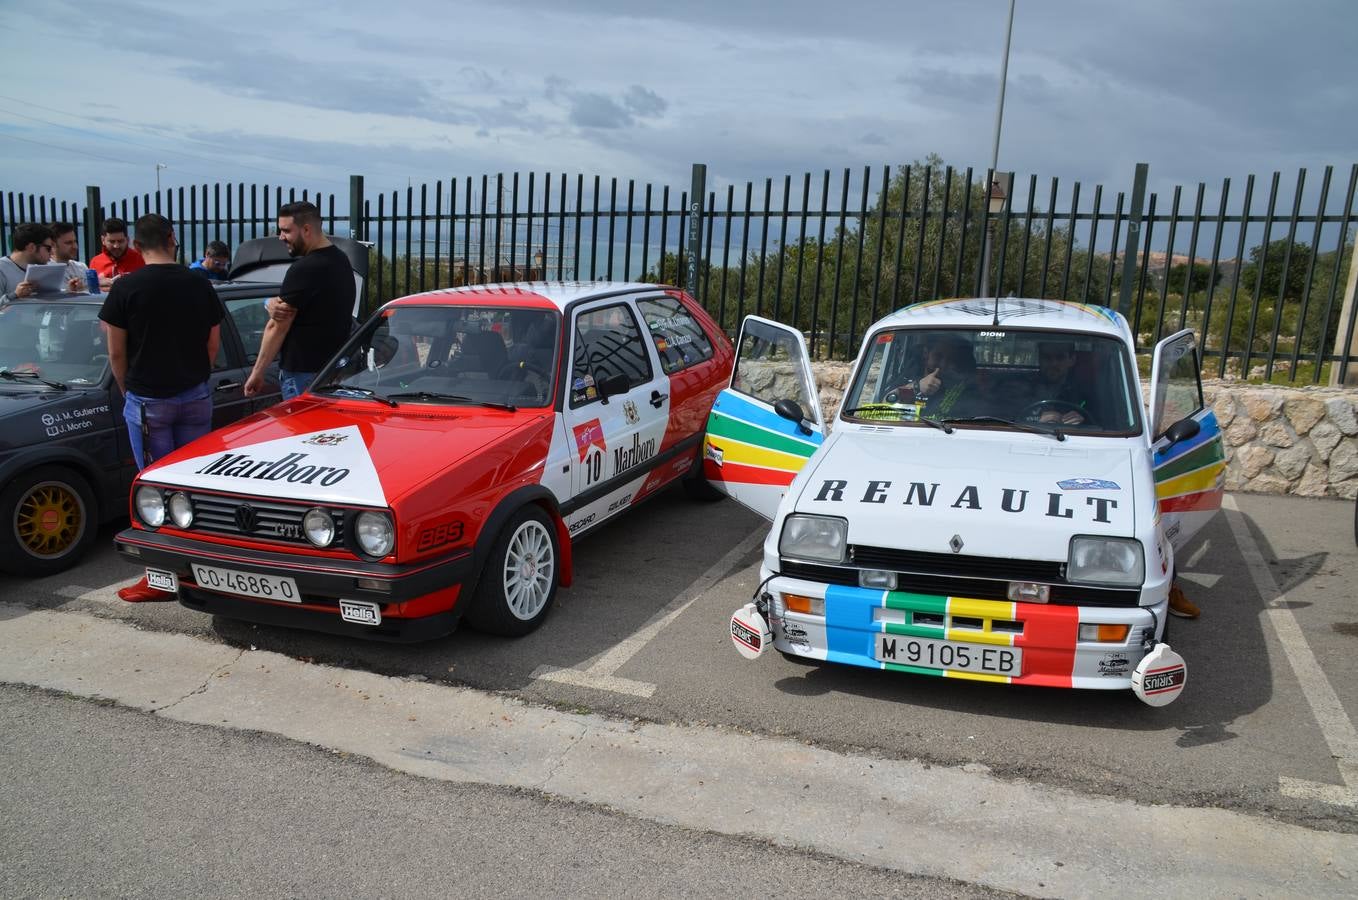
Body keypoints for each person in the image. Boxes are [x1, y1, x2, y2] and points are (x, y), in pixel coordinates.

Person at [98, 213, 221, 469]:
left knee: (156, 479)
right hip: (194, 393)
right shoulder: (200, 283)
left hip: (146, 396)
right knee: (194, 474)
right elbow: (212, 342)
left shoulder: (125, 288)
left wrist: (126, 390)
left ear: (136, 246)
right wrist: (197, 375)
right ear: (171, 238)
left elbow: (116, 352)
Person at [244, 201, 354, 400]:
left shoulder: (305, 269)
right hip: (334, 371)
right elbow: (306, 301)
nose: (281, 237)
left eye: (286, 231)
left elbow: (277, 326)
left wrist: (258, 372)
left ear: (306, 229)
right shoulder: (341, 260)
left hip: (303, 374)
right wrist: (269, 302)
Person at [881, 333, 984, 420]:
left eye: (950, 359)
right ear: (926, 353)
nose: (943, 364)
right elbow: (881, 412)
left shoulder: (962, 388)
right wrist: (916, 387)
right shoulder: (908, 377)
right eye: (938, 356)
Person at [1023, 340, 1094, 425]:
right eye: (1047, 357)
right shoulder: (1019, 388)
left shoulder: (1084, 393)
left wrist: (1082, 422)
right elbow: (1008, 420)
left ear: (1072, 360)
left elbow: (1101, 426)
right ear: (1039, 359)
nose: (1053, 364)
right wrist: (1036, 420)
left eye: (1060, 358)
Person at [0, 223, 54, 305]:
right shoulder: (2, 269)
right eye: (48, 248)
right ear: (31, 247)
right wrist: (15, 295)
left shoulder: (40, 269)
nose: (52, 252)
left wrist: (69, 291)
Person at [88, 217, 146, 284]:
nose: (116, 246)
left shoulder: (140, 259)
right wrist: (98, 283)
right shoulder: (95, 262)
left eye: (120, 241)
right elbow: (91, 290)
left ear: (127, 240)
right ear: (103, 240)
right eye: (112, 242)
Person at [48, 222, 92, 293]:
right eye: (68, 243)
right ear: (53, 245)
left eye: (75, 241)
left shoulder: (81, 267)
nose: (75, 247)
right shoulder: (46, 271)